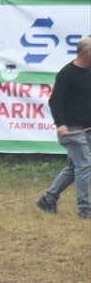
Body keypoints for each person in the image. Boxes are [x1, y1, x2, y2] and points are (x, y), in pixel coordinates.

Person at [36, 36, 90, 220]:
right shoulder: (67, 73)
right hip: (72, 130)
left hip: (86, 129)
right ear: (86, 52)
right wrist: (60, 124)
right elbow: (55, 101)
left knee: (75, 167)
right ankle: (85, 210)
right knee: (84, 166)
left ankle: (48, 199)